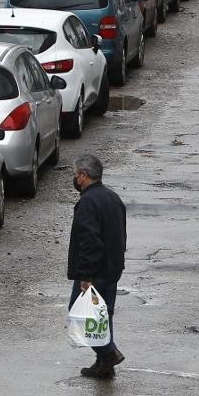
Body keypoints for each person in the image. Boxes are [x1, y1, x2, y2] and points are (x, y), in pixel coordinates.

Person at [67, 154, 127, 379]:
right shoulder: (112, 197)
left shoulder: (88, 203)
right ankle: (103, 365)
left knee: (82, 316)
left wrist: (86, 276)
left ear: (84, 175)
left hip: (96, 273)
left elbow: (90, 242)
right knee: (103, 316)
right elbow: (121, 232)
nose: (75, 179)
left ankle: (109, 353)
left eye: (76, 175)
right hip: (112, 269)